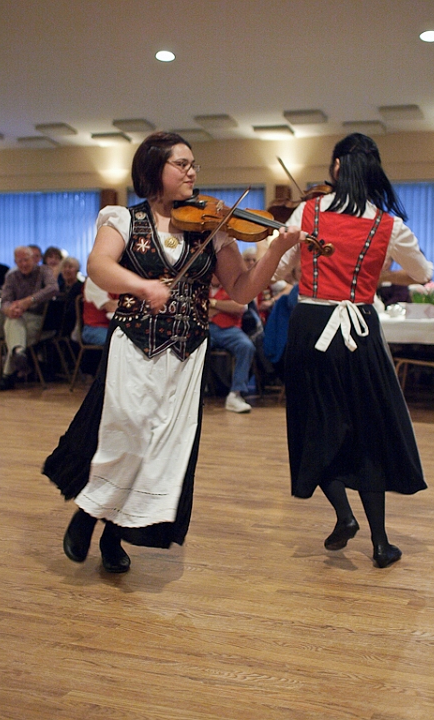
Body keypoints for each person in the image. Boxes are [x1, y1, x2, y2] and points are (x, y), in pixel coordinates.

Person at [43, 131, 304, 574]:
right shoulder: (122, 218)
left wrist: (277, 249)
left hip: (186, 353)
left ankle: (113, 535)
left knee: (161, 447)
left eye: (193, 164)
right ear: (153, 170)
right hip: (133, 343)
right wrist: (143, 285)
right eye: (181, 164)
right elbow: (99, 267)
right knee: (124, 431)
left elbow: (241, 291)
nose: (191, 171)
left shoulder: (214, 226)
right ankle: (88, 511)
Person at [275, 133, 434, 569]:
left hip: (310, 326)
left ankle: (344, 516)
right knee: (367, 428)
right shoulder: (388, 226)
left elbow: (283, 270)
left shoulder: (306, 212)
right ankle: (381, 544)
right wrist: (378, 264)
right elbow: (423, 273)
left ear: (337, 168)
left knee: (315, 424)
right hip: (360, 327)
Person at [0, 245, 58, 391]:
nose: (23, 264)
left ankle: (8, 374)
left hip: (39, 320)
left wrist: (29, 300)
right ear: (15, 262)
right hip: (19, 317)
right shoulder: (12, 277)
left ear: (34, 259)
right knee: (12, 322)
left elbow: (53, 288)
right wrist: (9, 310)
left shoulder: (44, 271)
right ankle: (18, 353)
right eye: (19, 261)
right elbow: (4, 300)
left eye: (26, 260)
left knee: (12, 332)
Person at [209, 274, 255, 413]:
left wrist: (213, 303)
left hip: (229, 329)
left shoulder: (233, 286)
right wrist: (225, 307)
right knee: (194, 345)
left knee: (246, 346)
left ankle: (236, 393)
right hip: (206, 328)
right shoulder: (200, 284)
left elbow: (240, 306)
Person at [81, 277, 118, 345]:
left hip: (114, 327)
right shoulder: (94, 280)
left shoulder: (118, 281)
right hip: (94, 328)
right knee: (118, 343)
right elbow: (111, 307)